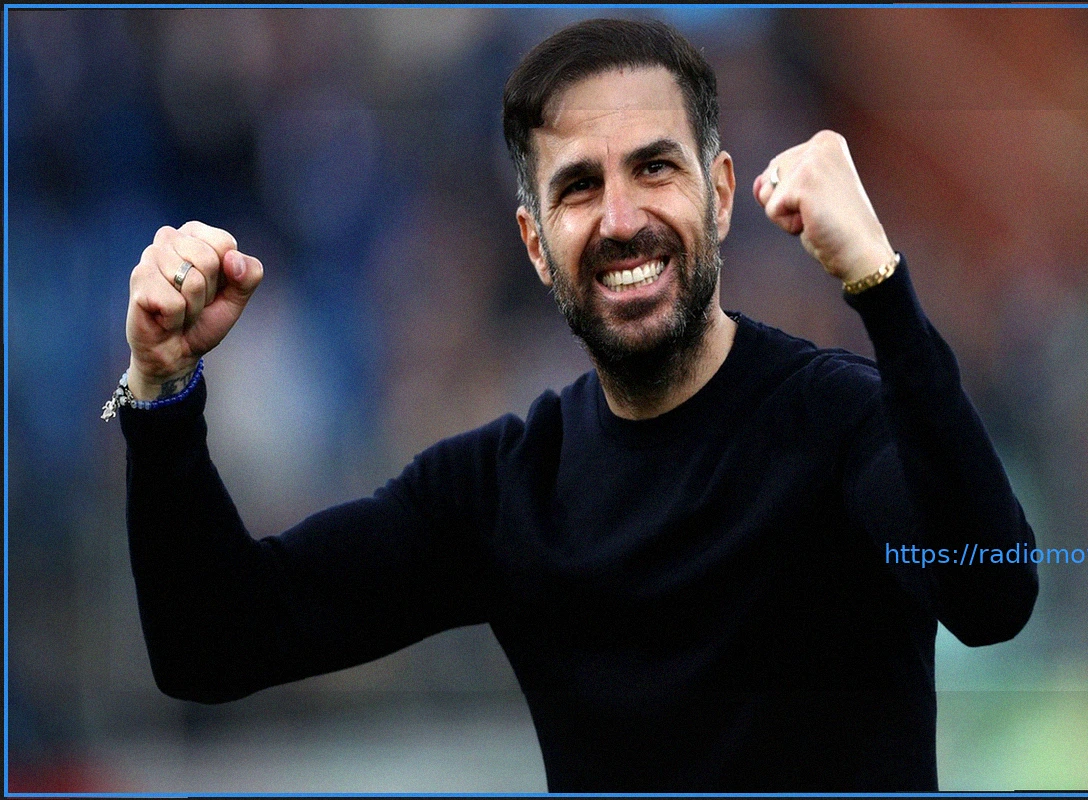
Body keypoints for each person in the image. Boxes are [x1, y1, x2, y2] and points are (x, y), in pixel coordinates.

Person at [107, 18, 1038, 792]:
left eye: (655, 168)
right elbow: (212, 646)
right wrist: (159, 387)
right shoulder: (504, 488)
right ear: (535, 243)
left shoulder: (838, 422)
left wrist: (879, 281)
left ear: (720, 196)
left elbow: (992, 592)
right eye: (580, 186)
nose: (622, 219)